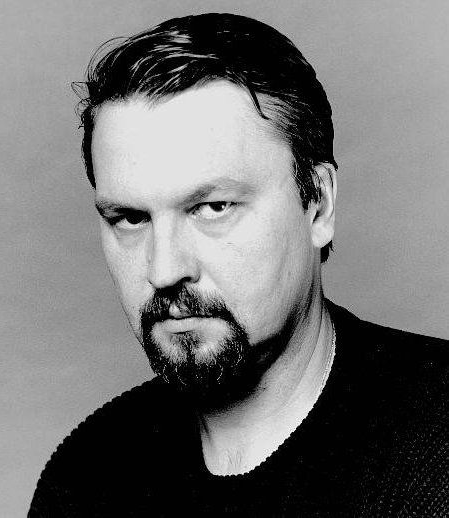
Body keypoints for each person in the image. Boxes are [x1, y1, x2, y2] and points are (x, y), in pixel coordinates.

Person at [29, 13, 448, 517]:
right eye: (131, 218)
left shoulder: (436, 443)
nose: (164, 270)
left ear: (318, 204)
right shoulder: (84, 477)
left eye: (213, 208)